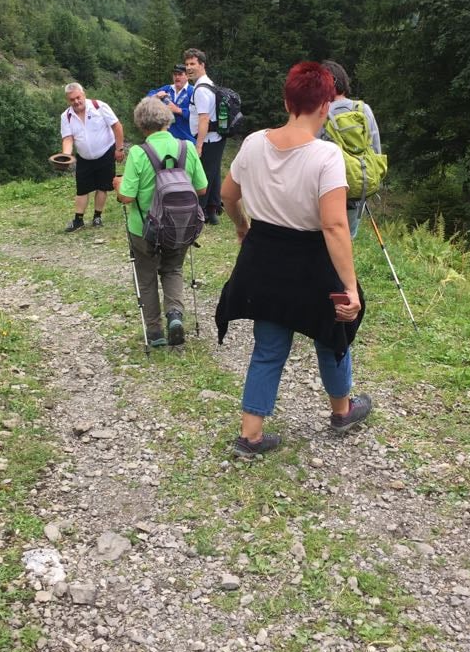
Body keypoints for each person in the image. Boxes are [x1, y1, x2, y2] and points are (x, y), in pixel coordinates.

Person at [215, 61, 371, 460]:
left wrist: (242, 227)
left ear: (287, 102)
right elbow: (334, 226)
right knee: (331, 335)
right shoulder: (327, 156)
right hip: (311, 262)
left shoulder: (253, 143)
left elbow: (228, 195)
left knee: (268, 347)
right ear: (326, 106)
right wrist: (350, 287)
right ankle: (342, 412)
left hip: (264, 257)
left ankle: (250, 435)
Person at [114, 97, 207, 347]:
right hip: (179, 227)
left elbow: (126, 197)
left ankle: (155, 333)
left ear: (141, 124)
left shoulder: (138, 153)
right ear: (167, 120)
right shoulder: (187, 148)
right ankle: (175, 315)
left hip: (144, 229)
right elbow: (201, 188)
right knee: (173, 269)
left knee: (146, 277)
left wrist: (118, 185)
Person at [321, 60, 382, 239]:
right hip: (357, 190)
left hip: (327, 190)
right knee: (345, 239)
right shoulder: (363, 109)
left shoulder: (320, 112)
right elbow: (376, 151)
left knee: (322, 240)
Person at [60, 82, 125, 232]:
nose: (76, 101)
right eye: (72, 99)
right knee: (82, 189)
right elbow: (68, 138)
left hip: (105, 152)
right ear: (68, 100)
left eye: (78, 97)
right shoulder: (66, 116)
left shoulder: (99, 106)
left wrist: (119, 148)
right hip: (84, 157)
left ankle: (97, 217)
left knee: (103, 186)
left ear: (84, 94)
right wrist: (66, 156)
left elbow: (117, 126)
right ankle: (78, 220)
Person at [184, 48, 224, 225]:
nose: (189, 68)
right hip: (217, 137)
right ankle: (212, 211)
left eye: (193, 64)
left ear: (202, 65)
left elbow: (204, 118)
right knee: (213, 174)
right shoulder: (209, 84)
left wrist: (199, 145)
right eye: (187, 64)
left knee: (204, 176)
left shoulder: (200, 89)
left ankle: (198, 214)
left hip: (207, 139)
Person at [146, 64, 194, 141]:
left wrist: (179, 110)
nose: (177, 77)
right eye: (175, 74)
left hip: (186, 139)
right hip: (166, 138)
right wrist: (156, 96)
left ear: (187, 76)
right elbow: (148, 97)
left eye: (180, 74)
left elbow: (197, 116)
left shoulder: (192, 91)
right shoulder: (167, 89)